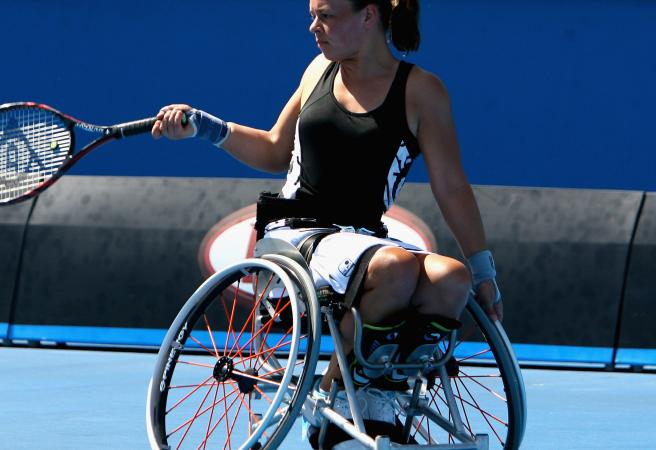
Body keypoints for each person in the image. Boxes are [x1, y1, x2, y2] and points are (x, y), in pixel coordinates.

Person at [152, 0, 502, 447]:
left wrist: (484, 269)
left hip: (365, 241)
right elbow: (275, 149)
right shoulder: (318, 70)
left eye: (327, 15)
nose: (314, 26)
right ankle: (338, 399)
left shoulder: (423, 92)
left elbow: (451, 187)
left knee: (452, 279)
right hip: (297, 234)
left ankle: (382, 395)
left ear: (369, 16)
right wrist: (209, 127)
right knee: (394, 268)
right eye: (313, 14)